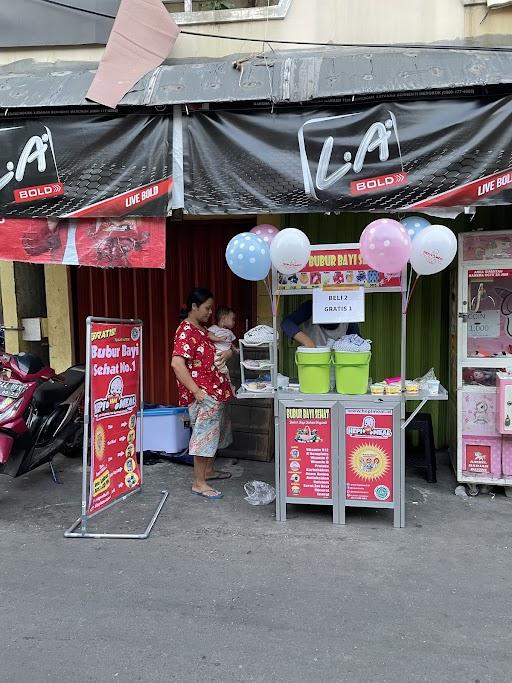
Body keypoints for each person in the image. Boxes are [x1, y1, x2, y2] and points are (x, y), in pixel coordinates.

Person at [172, 288, 234, 500]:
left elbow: (224, 350)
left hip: (214, 392)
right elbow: (177, 364)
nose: (210, 312)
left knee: (213, 435)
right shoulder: (186, 331)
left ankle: (208, 471)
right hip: (203, 395)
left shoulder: (201, 329)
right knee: (204, 438)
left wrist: (228, 353)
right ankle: (199, 483)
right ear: (194, 307)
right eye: (207, 308)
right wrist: (196, 391)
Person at [281, 300, 360, 348]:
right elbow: (287, 323)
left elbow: (357, 341)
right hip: (313, 364)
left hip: (339, 366)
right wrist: (307, 341)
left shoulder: (348, 311)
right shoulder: (310, 307)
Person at [208, 306, 238, 383]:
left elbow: (231, 343)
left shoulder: (229, 332)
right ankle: (228, 379)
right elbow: (209, 335)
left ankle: (228, 379)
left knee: (229, 367)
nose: (234, 322)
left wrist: (235, 349)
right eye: (233, 319)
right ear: (224, 319)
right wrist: (219, 339)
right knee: (219, 364)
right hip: (219, 352)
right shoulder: (214, 328)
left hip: (228, 356)